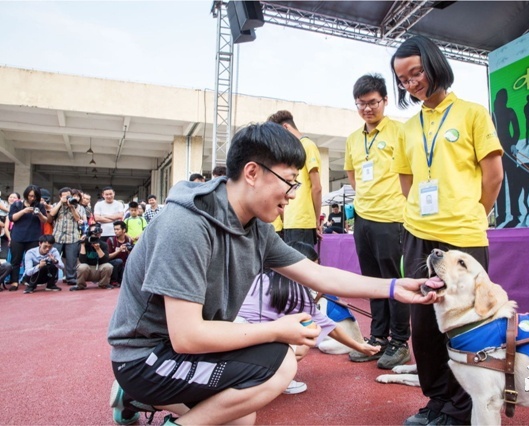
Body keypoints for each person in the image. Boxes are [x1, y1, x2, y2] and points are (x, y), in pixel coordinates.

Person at [107, 121, 439, 426]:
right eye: (289, 182)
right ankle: (155, 402)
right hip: (145, 358)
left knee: (241, 418)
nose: (294, 194)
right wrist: (277, 329)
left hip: (185, 354)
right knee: (279, 364)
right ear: (252, 172)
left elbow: (317, 275)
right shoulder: (186, 226)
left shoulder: (255, 227)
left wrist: (395, 287)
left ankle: (137, 399)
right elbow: (187, 336)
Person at [391, 35, 503, 426]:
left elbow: (493, 176)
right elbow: (407, 180)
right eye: (403, 79)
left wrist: (474, 214)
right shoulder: (407, 129)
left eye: (416, 72)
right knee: (423, 327)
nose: (411, 83)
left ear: (434, 64)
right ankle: (437, 401)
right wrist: (419, 217)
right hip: (418, 235)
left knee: (463, 324)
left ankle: (461, 408)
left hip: (463, 238)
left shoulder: (472, 113)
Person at [236, 241, 380, 394]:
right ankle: (275, 378)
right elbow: (329, 327)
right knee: (306, 334)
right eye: (312, 268)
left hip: (231, 338)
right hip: (249, 348)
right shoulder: (297, 293)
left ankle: (253, 372)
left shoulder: (260, 278)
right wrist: (360, 346)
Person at [344, 73, 411, 370]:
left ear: (385, 100)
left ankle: (399, 341)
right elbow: (352, 174)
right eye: (361, 104)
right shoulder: (353, 139)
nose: (367, 109)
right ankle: (378, 337)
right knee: (373, 284)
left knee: (393, 283)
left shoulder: (400, 131)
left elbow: (411, 172)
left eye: (373, 102)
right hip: (363, 219)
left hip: (393, 218)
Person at [267, 110, 322, 246]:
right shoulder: (291, 151)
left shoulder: (307, 145)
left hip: (300, 220)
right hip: (293, 221)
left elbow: (317, 188)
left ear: (286, 127)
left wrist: (316, 219)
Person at [7, 185, 47, 291]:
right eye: (30, 196)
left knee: (33, 260)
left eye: (34, 196)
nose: (32, 198)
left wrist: (39, 214)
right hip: (18, 236)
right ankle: (14, 281)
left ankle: (30, 281)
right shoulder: (17, 204)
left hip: (33, 236)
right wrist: (24, 211)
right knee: (16, 260)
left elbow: (45, 220)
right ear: (26, 195)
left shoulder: (40, 205)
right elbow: (12, 218)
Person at [493, 88, 522, 228]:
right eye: (500, 98)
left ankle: (515, 213)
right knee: (500, 184)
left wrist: (513, 144)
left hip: (510, 151)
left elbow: (517, 130)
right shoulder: (492, 114)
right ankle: (502, 215)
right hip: (497, 152)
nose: (501, 100)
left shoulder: (510, 111)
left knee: (514, 183)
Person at [48, 187, 86, 286]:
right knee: (54, 258)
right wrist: (61, 202)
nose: (66, 198)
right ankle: (53, 278)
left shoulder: (78, 206)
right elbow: (51, 214)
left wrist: (72, 207)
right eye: (64, 196)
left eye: (68, 195)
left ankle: (71, 277)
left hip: (72, 236)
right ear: (60, 197)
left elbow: (78, 219)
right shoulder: (56, 205)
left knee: (71, 259)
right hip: (57, 236)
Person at [70, 223, 114, 291]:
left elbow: (105, 260)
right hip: (88, 270)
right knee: (82, 266)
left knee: (108, 266)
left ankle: (103, 284)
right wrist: (82, 245)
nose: (94, 236)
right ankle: (80, 285)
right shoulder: (84, 243)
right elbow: (82, 261)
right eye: (92, 233)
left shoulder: (103, 244)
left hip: (98, 269)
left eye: (96, 233)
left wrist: (98, 249)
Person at [107, 220, 133, 287]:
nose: (115, 231)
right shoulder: (111, 240)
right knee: (119, 261)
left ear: (124, 230)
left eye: (118, 229)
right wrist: (119, 251)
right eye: (115, 229)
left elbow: (132, 256)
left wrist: (129, 251)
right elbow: (108, 257)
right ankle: (113, 281)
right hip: (113, 264)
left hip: (125, 265)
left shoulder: (129, 240)